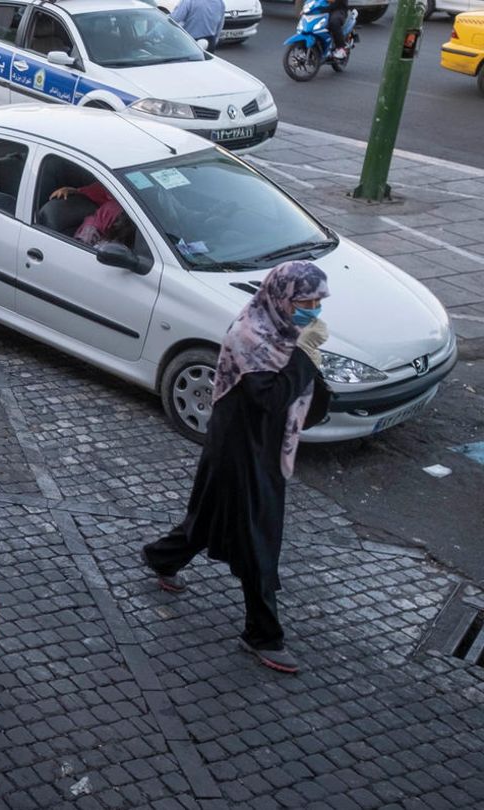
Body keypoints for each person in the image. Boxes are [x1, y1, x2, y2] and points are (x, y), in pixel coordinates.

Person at [142, 261, 333, 675]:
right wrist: (304, 355)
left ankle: (162, 558)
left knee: (208, 518)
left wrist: (302, 350)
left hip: (256, 448)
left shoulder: (283, 330)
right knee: (257, 540)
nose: (313, 309)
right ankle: (262, 634)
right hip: (241, 452)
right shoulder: (250, 336)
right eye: (305, 301)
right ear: (281, 297)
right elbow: (270, 398)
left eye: (318, 301)